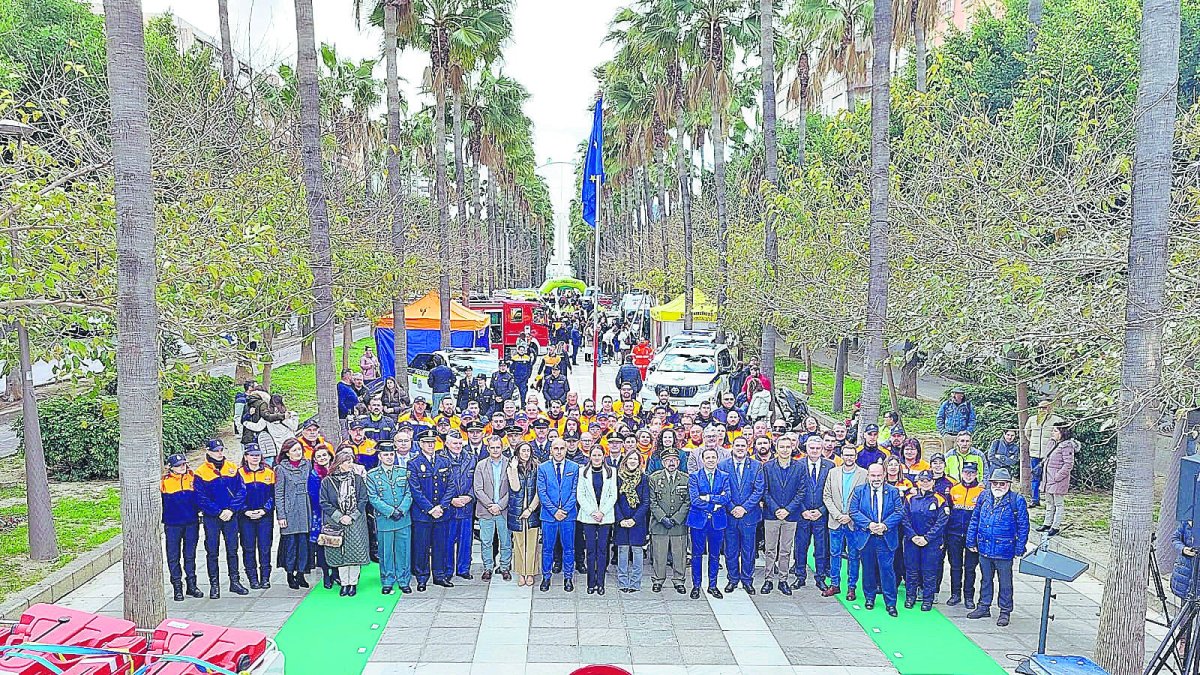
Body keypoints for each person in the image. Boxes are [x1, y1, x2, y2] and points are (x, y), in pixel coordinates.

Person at [967, 468, 1030, 626]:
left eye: (1002, 483)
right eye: (995, 483)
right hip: (984, 546)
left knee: (1005, 582)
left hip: (1005, 549)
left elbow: (1023, 526)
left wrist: (1019, 548)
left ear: (1008, 484)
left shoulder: (1017, 500)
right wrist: (970, 540)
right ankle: (984, 606)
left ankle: (1005, 610)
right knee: (986, 579)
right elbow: (975, 518)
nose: (998, 486)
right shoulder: (983, 496)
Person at [194, 439, 248, 598]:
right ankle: (214, 585)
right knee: (212, 551)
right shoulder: (201, 472)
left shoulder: (232, 468)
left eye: (221, 450)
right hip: (212, 517)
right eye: (216, 450)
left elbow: (241, 490)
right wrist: (218, 512)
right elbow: (200, 498)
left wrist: (231, 509)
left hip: (231, 515)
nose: (219, 453)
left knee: (233, 549)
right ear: (208, 451)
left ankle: (235, 581)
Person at [849, 463, 904, 616]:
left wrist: (885, 525)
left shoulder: (893, 492)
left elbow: (899, 512)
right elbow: (853, 511)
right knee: (868, 569)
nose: (876, 478)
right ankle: (869, 598)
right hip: (867, 537)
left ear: (884, 475)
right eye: (873, 475)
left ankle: (891, 603)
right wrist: (869, 525)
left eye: (879, 475)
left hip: (885, 538)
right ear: (868, 476)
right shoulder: (860, 491)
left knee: (887, 571)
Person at [320, 449, 370, 597]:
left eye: (351, 461)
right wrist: (340, 516)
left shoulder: (357, 479)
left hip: (355, 521)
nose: (350, 464)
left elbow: (363, 499)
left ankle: (353, 583)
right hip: (336, 521)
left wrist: (351, 516)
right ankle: (344, 583)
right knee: (340, 553)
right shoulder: (327, 481)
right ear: (339, 464)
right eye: (347, 462)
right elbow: (324, 502)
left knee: (355, 552)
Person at [409, 429, 454, 591]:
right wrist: (430, 509)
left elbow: (451, 486)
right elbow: (415, 490)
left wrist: (441, 506)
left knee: (440, 545)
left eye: (432, 442)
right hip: (423, 515)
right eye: (427, 442)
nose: (430, 445)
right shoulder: (413, 463)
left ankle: (439, 575)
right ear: (420, 444)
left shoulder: (444, 461)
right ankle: (422, 577)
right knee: (421, 547)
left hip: (442, 513)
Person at [720, 436, 764, 594]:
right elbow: (722, 489)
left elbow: (759, 490)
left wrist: (744, 508)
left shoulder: (757, 466)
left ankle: (747, 580)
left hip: (749, 516)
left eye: (743, 446)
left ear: (748, 447)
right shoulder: (722, 465)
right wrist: (732, 507)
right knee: (730, 550)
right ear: (732, 447)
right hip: (729, 515)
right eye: (737, 445)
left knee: (748, 550)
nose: (740, 448)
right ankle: (732, 579)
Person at [366, 444, 413, 595]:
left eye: (391, 455)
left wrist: (402, 509)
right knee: (385, 552)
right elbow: (373, 498)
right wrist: (391, 511)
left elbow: (409, 493)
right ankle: (387, 580)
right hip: (385, 520)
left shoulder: (403, 472)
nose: (389, 457)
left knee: (403, 551)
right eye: (386, 455)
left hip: (403, 519)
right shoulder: (372, 475)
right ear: (380, 456)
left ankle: (404, 580)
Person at [823, 445, 868, 600]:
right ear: (841, 455)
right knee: (834, 553)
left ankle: (851, 587)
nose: (849, 458)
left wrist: (850, 515)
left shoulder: (864, 474)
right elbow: (827, 496)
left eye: (852, 455)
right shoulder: (833, 473)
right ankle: (834, 584)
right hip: (835, 521)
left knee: (854, 556)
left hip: (853, 523)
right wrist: (837, 515)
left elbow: (865, 499)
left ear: (856, 456)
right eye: (846, 455)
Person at [687, 447, 731, 599]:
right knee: (696, 554)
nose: (711, 460)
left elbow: (727, 498)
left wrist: (707, 497)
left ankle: (713, 585)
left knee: (715, 555)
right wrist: (713, 503)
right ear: (702, 460)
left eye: (713, 457)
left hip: (717, 522)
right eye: (708, 457)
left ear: (717, 459)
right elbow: (694, 499)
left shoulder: (724, 476)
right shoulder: (694, 477)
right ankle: (696, 585)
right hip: (698, 521)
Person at [902, 471, 949, 611]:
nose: (925, 483)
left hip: (931, 543)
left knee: (929, 572)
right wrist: (913, 536)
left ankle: (927, 599)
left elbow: (941, 522)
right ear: (918, 482)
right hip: (912, 541)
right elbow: (904, 519)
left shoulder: (940, 499)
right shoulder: (910, 498)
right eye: (922, 480)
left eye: (928, 480)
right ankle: (910, 597)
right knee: (911, 571)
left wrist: (927, 538)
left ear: (933, 482)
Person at [538, 438, 581, 592]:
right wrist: (554, 511)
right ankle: (546, 577)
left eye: (562, 448)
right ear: (551, 450)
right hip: (549, 516)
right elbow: (542, 492)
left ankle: (568, 577)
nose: (558, 451)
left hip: (568, 516)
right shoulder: (542, 468)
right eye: (555, 448)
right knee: (547, 549)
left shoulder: (574, 467)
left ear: (566, 449)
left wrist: (565, 510)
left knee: (569, 548)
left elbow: (575, 491)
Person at [762, 435, 803, 595]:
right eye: (782, 447)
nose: (785, 450)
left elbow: (801, 491)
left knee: (786, 549)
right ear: (776, 448)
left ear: (792, 448)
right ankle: (768, 579)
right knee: (770, 548)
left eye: (788, 447)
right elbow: (764, 491)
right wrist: (775, 509)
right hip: (772, 515)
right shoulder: (768, 467)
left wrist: (788, 509)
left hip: (791, 515)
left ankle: (783, 579)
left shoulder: (799, 467)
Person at [161, 453, 205, 601]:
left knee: (190, 555)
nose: (182, 467)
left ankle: (192, 585)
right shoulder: (164, 482)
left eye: (184, 464)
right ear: (170, 467)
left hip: (191, 522)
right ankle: (177, 586)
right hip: (172, 524)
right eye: (178, 465)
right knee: (173, 556)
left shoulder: (192, 478)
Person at [794, 436, 834, 592]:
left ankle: (820, 577)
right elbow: (795, 489)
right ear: (806, 448)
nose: (815, 451)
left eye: (818, 448)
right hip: (802, 514)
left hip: (821, 514)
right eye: (812, 448)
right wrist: (803, 510)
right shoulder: (798, 465)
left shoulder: (830, 466)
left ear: (822, 448)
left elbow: (831, 492)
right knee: (800, 547)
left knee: (821, 548)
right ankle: (800, 576)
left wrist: (821, 510)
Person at [648, 447, 690, 594]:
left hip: (678, 525)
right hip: (659, 524)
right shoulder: (654, 478)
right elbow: (652, 502)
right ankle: (658, 580)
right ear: (663, 462)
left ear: (678, 462)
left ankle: (679, 580)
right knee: (659, 554)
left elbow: (687, 501)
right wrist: (662, 518)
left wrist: (676, 518)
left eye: (674, 460)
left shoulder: (686, 478)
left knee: (679, 554)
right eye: (667, 460)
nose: (671, 463)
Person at [577, 444, 618, 594]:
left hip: (605, 517)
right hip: (588, 516)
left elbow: (613, 495)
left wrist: (602, 512)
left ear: (603, 456)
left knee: (602, 550)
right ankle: (590, 583)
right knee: (591, 550)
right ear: (590, 456)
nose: (596, 458)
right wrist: (593, 512)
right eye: (594, 455)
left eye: (599, 455)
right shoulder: (583, 472)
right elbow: (580, 495)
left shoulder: (611, 471)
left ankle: (601, 583)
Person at [273, 439, 313, 590]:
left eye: (299, 450)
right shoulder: (280, 469)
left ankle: (301, 573)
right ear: (287, 452)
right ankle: (290, 574)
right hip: (290, 510)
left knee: (303, 543)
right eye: (294, 450)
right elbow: (279, 494)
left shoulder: (307, 464)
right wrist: (281, 516)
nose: (298, 453)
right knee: (290, 544)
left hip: (305, 508)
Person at [475, 436, 513, 582]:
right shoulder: (481, 465)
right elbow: (478, 489)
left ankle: (504, 567)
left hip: (504, 510)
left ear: (502, 448)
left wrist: (500, 505)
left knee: (505, 541)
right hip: (486, 510)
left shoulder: (510, 464)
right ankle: (488, 568)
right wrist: (490, 505)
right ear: (488, 448)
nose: (495, 450)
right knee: (486, 541)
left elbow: (513, 489)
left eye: (498, 447)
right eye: (492, 447)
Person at [237, 444, 276, 589]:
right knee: (248, 548)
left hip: (264, 516)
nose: (255, 457)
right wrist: (244, 510)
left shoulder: (269, 472)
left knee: (265, 547)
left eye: (257, 455)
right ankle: (252, 578)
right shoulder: (238, 473)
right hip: (245, 517)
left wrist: (265, 510)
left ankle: (265, 577)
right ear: (246, 457)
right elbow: (235, 496)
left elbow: (273, 495)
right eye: (252, 455)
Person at [946, 462, 983, 609]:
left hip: (971, 536)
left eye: (972, 473)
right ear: (962, 473)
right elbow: (947, 512)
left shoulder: (981, 492)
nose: (969, 475)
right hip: (954, 534)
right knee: (955, 566)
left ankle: (969, 596)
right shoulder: (954, 490)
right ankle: (955, 594)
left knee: (970, 567)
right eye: (966, 472)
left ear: (976, 474)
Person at [507, 442, 542, 587]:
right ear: (518, 452)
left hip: (532, 511)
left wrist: (530, 509)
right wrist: (514, 469)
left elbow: (539, 491)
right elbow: (515, 488)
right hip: (517, 511)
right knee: (519, 543)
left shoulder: (537, 466)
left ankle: (530, 572)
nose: (526, 453)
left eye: (528, 451)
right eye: (523, 451)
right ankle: (521, 572)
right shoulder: (511, 467)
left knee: (532, 543)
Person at [614, 450, 649, 593]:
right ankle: (623, 582)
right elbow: (614, 500)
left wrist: (634, 519)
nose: (633, 461)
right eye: (630, 458)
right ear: (625, 461)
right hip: (621, 520)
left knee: (637, 551)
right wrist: (621, 519)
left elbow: (646, 502)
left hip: (638, 521)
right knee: (622, 550)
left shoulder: (644, 478)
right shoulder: (618, 477)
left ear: (639, 462)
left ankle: (635, 583)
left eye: (635, 459)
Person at [444, 435, 475, 579]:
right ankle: (448, 570)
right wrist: (450, 500)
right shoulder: (441, 459)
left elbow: (477, 481)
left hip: (466, 506)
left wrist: (469, 496)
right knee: (447, 541)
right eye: (454, 443)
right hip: (448, 508)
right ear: (447, 444)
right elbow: (438, 484)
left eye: (459, 443)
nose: (457, 446)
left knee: (466, 541)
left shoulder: (471, 458)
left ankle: (463, 569)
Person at [1039, 422, 1077, 536]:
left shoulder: (1067, 446)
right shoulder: (1053, 443)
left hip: (1057, 479)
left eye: (1055, 431)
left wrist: (1058, 476)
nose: (1053, 433)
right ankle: (1047, 523)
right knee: (1049, 502)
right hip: (1048, 478)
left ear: (1062, 433)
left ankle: (1055, 526)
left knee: (1058, 503)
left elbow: (1068, 464)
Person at [1023, 399, 1062, 508]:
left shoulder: (1056, 420)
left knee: (1050, 477)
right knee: (1035, 477)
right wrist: (1034, 444)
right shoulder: (1032, 419)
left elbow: (1062, 433)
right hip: (1035, 453)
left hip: (1050, 454)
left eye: (1045, 407)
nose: (1042, 410)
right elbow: (1027, 433)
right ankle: (1035, 499)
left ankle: (1050, 500)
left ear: (1050, 408)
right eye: (1040, 407)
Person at [308, 446, 337, 588]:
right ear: (314, 459)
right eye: (319, 456)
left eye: (324, 455)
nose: (322, 458)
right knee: (322, 543)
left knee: (337, 542)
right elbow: (314, 496)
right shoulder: (314, 474)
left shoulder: (336, 470)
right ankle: (326, 574)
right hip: (320, 513)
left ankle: (336, 573)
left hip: (337, 512)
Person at [937, 386, 977, 456]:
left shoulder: (967, 406)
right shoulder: (946, 404)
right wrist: (943, 432)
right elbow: (940, 418)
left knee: (960, 455)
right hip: (948, 435)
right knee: (947, 456)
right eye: (955, 394)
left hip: (960, 436)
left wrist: (967, 432)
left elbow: (972, 420)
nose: (956, 396)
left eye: (959, 394)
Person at [1172, 520, 1198, 601]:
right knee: (1186, 608)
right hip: (1185, 574)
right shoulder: (1187, 521)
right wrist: (1183, 549)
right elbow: (1175, 538)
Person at [337, 368, 359, 434]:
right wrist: (347, 412)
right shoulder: (341, 387)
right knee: (345, 433)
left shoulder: (349, 386)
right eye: (352, 375)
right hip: (345, 417)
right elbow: (340, 402)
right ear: (347, 376)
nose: (354, 377)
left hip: (351, 415)